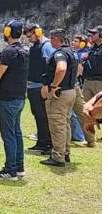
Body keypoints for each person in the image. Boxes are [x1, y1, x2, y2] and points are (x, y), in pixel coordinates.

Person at [0, 20, 29, 181]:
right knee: (16, 132)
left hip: (8, 98)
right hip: (19, 97)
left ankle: (10, 170)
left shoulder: (8, 52)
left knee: (8, 135)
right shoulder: (25, 50)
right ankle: (19, 167)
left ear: (7, 32)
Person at [41, 29, 81, 167]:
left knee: (57, 125)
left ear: (56, 39)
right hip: (70, 91)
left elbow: (61, 68)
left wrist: (54, 85)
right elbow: (79, 69)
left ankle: (58, 156)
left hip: (60, 93)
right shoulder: (72, 52)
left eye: (52, 38)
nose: (50, 41)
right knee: (65, 123)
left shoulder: (60, 53)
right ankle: (65, 152)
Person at [24, 23, 54, 154]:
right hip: (33, 85)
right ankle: (41, 142)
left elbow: (50, 66)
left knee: (43, 116)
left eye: (30, 36)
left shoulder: (47, 46)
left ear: (37, 32)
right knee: (38, 115)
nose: (29, 39)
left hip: (40, 86)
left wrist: (46, 85)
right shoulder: (35, 46)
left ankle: (47, 143)